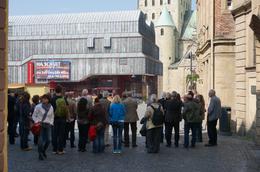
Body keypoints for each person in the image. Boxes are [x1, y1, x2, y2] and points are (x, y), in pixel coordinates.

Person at [32, 94, 54, 160]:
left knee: (49, 140)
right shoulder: (38, 106)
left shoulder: (51, 107)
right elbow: (34, 115)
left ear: (48, 99)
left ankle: (43, 150)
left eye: (45, 99)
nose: (44, 100)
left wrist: (51, 123)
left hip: (48, 125)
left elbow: (52, 116)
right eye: (43, 98)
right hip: (40, 125)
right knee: (40, 140)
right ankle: (40, 154)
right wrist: (37, 122)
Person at [51, 85, 69, 155]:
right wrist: (68, 118)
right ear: (61, 91)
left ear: (55, 90)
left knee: (54, 134)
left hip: (54, 119)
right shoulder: (64, 98)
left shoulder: (52, 99)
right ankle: (60, 149)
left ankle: (54, 149)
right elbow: (67, 109)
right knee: (61, 134)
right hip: (63, 118)